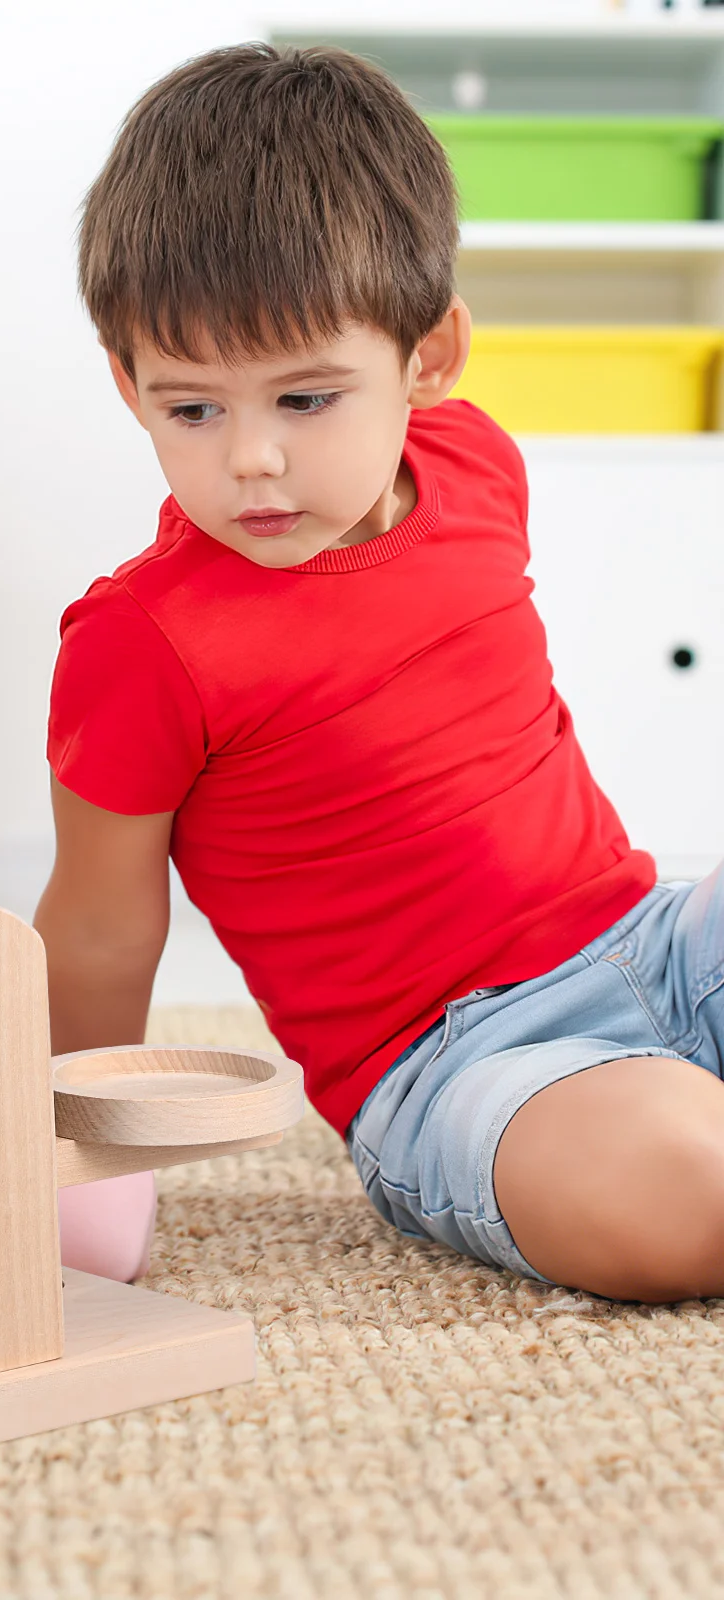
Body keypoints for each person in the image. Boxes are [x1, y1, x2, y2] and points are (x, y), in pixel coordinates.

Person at [36, 43, 724, 1304]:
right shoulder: (140, 643)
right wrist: (35, 1166)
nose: (251, 459)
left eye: (306, 399)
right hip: (454, 1069)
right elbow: (94, 929)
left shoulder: (473, 465)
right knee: (682, 1183)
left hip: (652, 941)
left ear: (429, 358)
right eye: (193, 409)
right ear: (125, 379)